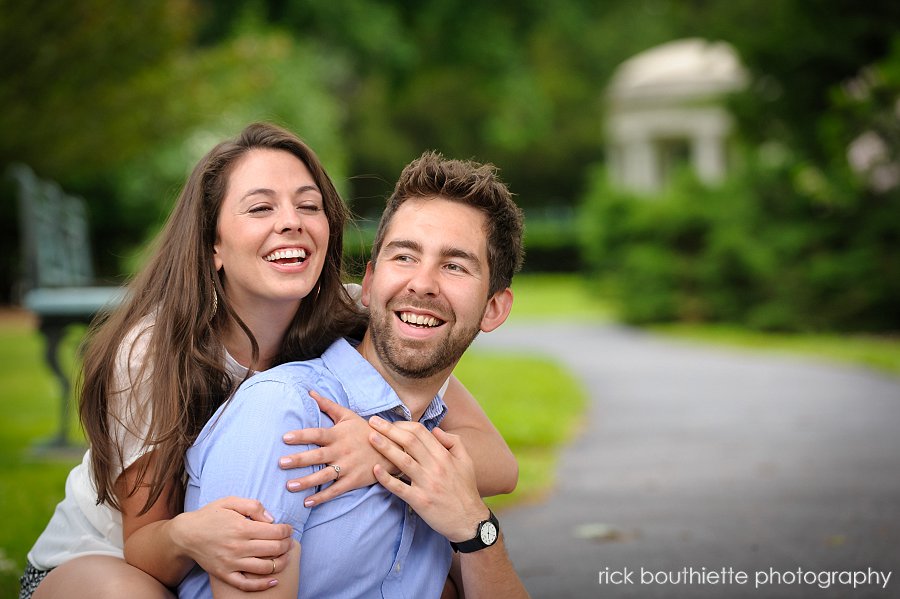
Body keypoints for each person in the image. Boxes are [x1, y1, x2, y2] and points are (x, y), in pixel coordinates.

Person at [21, 125, 517, 599]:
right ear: (213, 244)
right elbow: (143, 543)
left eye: (309, 205)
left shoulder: (359, 312)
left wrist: (382, 450)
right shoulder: (154, 352)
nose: (290, 221)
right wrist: (188, 536)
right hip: (111, 560)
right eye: (260, 207)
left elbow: (498, 463)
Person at [178, 151, 529, 598]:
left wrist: (474, 526)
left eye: (455, 265)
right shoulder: (287, 413)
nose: (422, 284)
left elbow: (502, 471)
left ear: (494, 308)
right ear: (368, 283)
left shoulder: (440, 445)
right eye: (404, 256)